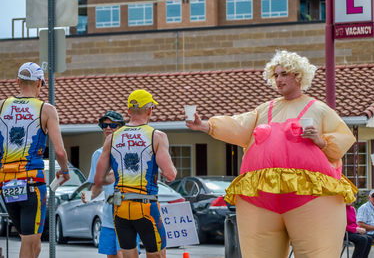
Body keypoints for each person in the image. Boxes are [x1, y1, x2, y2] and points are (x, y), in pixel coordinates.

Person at [186, 50, 357, 258]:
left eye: (284, 74)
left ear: (298, 76)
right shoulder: (265, 110)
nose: (279, 79)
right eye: (275, 75)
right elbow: (239, 125)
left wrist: (320, 140)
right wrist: (205, 125)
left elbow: (342, 140)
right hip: (260, 198)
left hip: (311, 197)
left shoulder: (318, 109)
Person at [92, 89, 177, 258]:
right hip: (146, 206)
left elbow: (98, 179)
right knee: (157, 255)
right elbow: (170, 175)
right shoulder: (156, 136)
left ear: (129, 111)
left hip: (120, 207)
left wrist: (119, 175)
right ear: (150, 109)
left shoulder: (112, 138)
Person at [0, 62, 70, 258]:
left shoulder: (2, 106)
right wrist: (64, 171)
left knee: (34, 244)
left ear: (17, 82)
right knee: (29, 243)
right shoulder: (46, 110)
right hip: (31, 182)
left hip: (6, 183)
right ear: (40, 83)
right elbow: (60, 152)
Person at [82, 110, 127, 258]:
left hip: (128, 213)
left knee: (124, 254)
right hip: (108, 217)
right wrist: (88, 196)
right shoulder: (98, 154)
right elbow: (97, 186)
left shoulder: (129, 151)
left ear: (121, 128)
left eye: (113, 125)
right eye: (104, 125)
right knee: (112, 256)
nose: (108, 128)